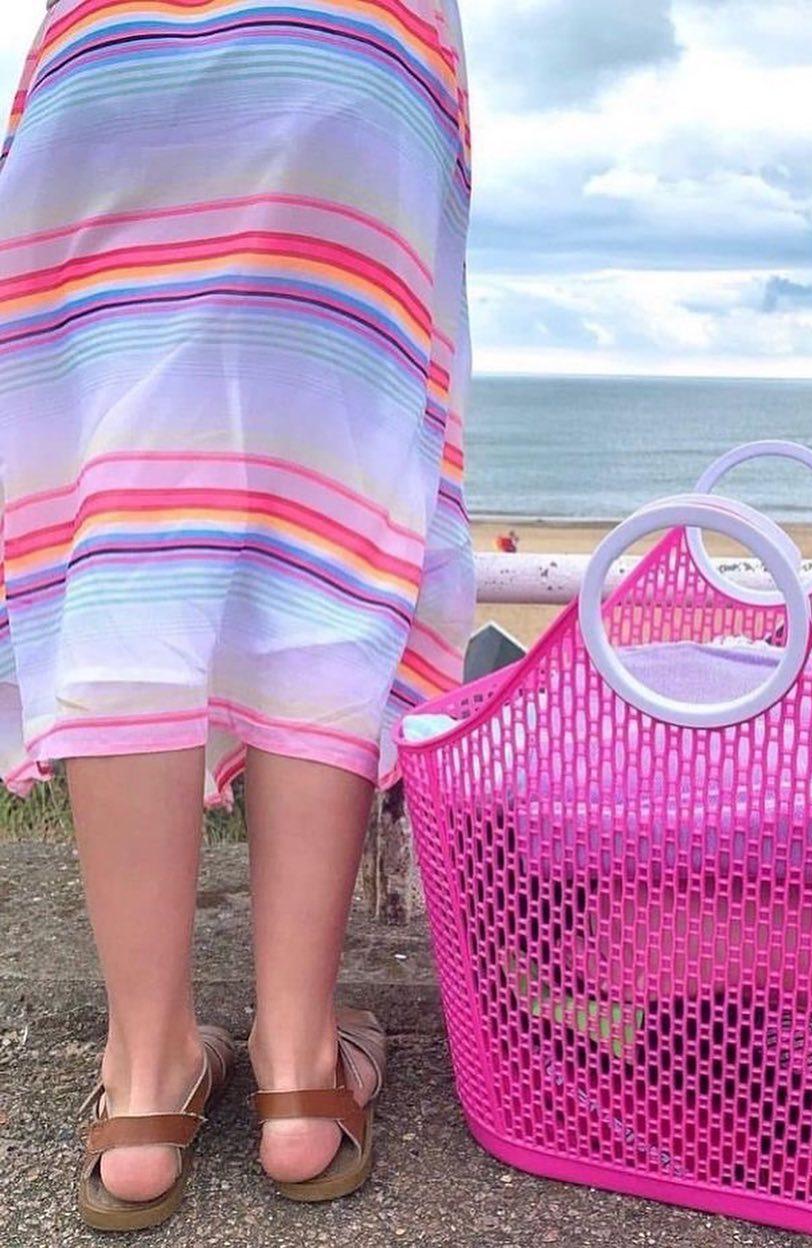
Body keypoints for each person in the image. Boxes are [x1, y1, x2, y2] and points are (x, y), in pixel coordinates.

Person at [0, 0, 473, 1230]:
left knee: (122, 537)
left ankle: (145, 1084)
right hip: (345, 58)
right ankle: (300, 1072)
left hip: (109, 63)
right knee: (331, 538)